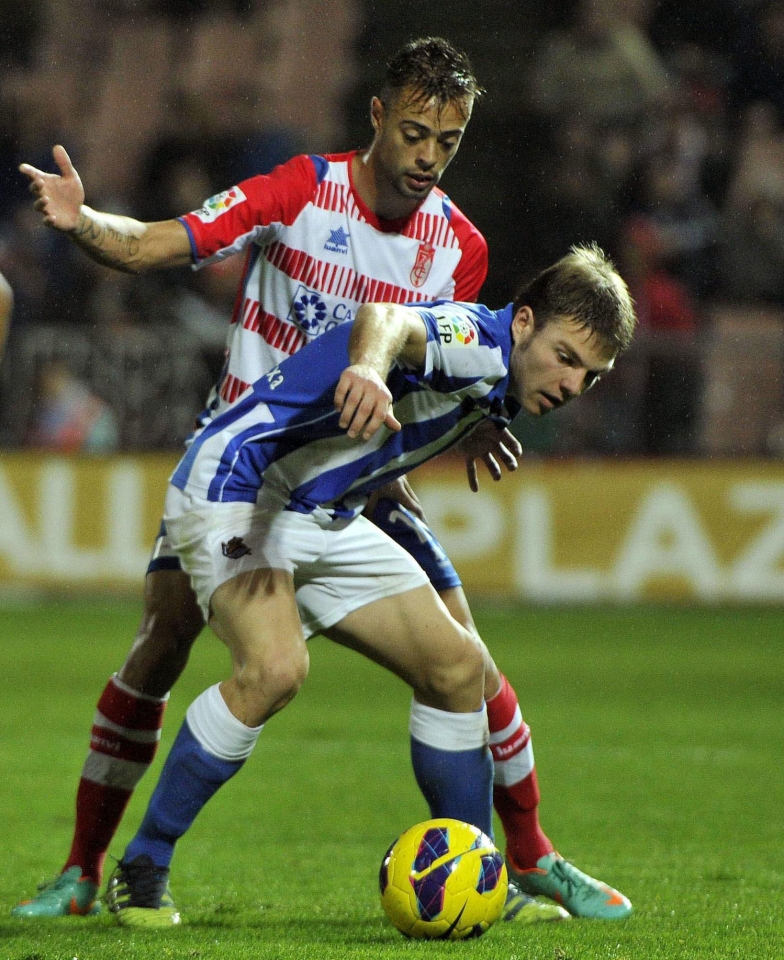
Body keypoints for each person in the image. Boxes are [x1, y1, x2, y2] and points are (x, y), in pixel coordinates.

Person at [14, 38, 629, 924]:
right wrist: (84, 223)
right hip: (243, 463)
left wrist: (476, 417)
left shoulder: (460, 246)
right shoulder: (303, 188)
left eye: (447, 141)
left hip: (347, 488)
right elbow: (164, 245)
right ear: (377, 117)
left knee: (463, 662)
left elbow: (465, 352)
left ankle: (499, 867)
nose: (427, 156)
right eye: (414, 132)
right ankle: (97, 869)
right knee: (177, 649)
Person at [103, 243, 637, 927]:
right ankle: (143, 864)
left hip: (324, 512)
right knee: (274, 668)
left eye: (590, 377)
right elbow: (389, 318)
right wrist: (367, 365)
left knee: (458, 667)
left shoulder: (498, 384)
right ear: (525, 321)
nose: (571, 383)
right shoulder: (480, 341)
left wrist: (474, 425)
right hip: (240, 487)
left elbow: (436, 405)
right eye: (566, 357)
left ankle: (480, 873)